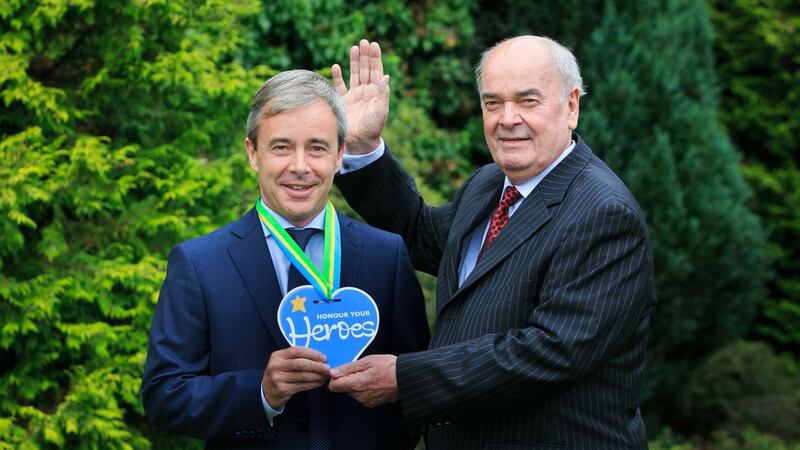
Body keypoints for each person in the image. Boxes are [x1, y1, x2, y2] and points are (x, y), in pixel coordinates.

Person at [328, 37, 657, 449]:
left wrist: (405, 378)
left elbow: (548, 353)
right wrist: (362, 148)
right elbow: (419, 233)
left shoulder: (603, 213)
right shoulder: (489, 185)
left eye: (527, 101)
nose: (507, 118)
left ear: (571, 105)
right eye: (493, 102)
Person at [140, 69, 430, 450]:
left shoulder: (385, 255)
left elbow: (420, 384)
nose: (300, 166)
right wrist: (260, 392)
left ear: (340, 155)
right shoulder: (200, 264)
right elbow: (164, 396)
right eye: (281, 147)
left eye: (317, 147)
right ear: (252, 153)